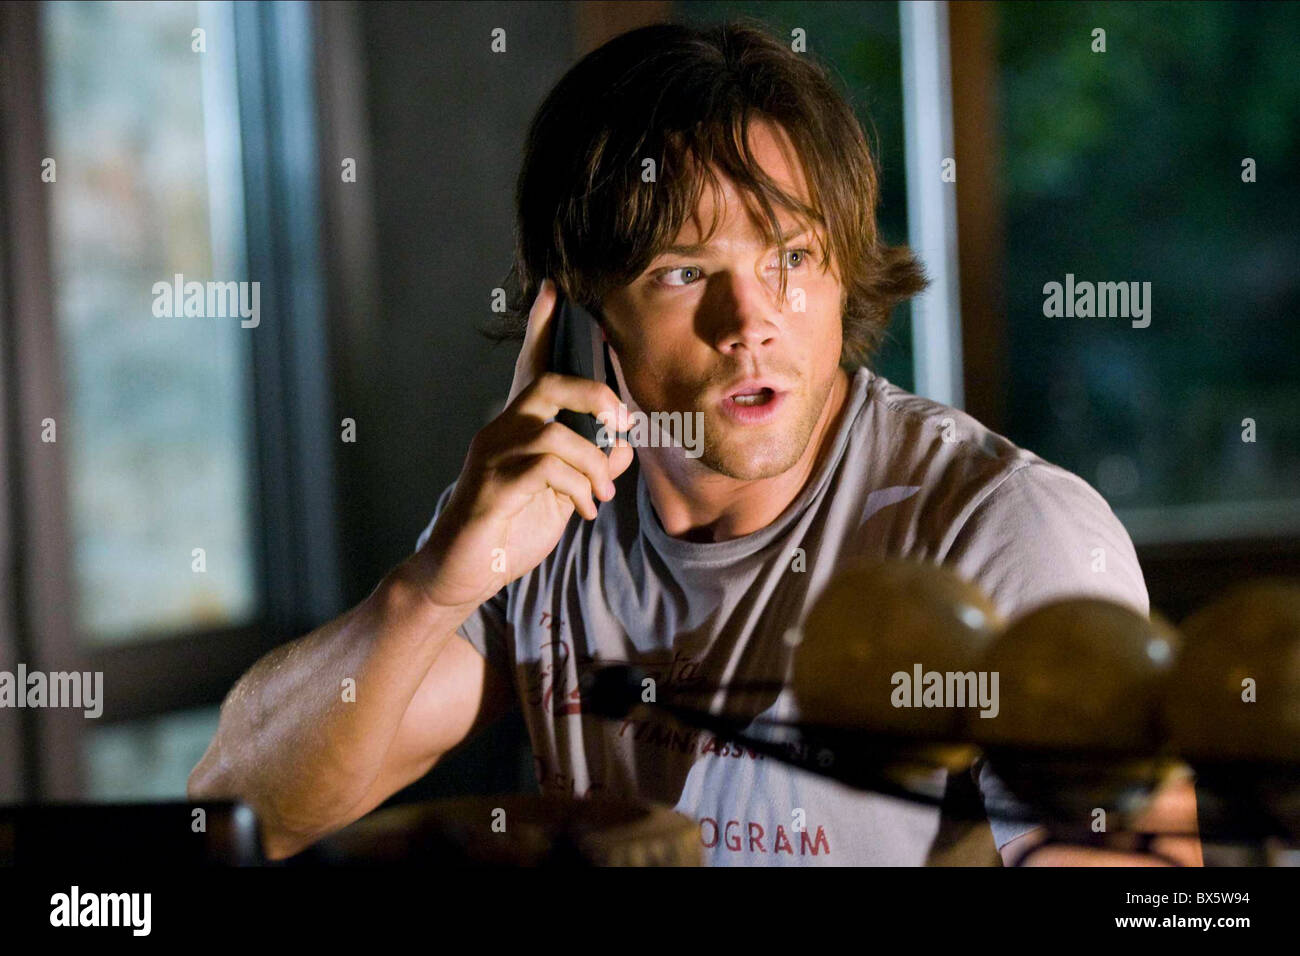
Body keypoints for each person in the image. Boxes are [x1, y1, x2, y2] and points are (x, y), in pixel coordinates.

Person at [189, 20, 1200, 866]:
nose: (749, 323)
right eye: (683, 271)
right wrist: (433, 586)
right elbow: (241, 808)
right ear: (577, 313)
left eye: (792, 258)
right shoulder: (544, 519)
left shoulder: (1005, 531)